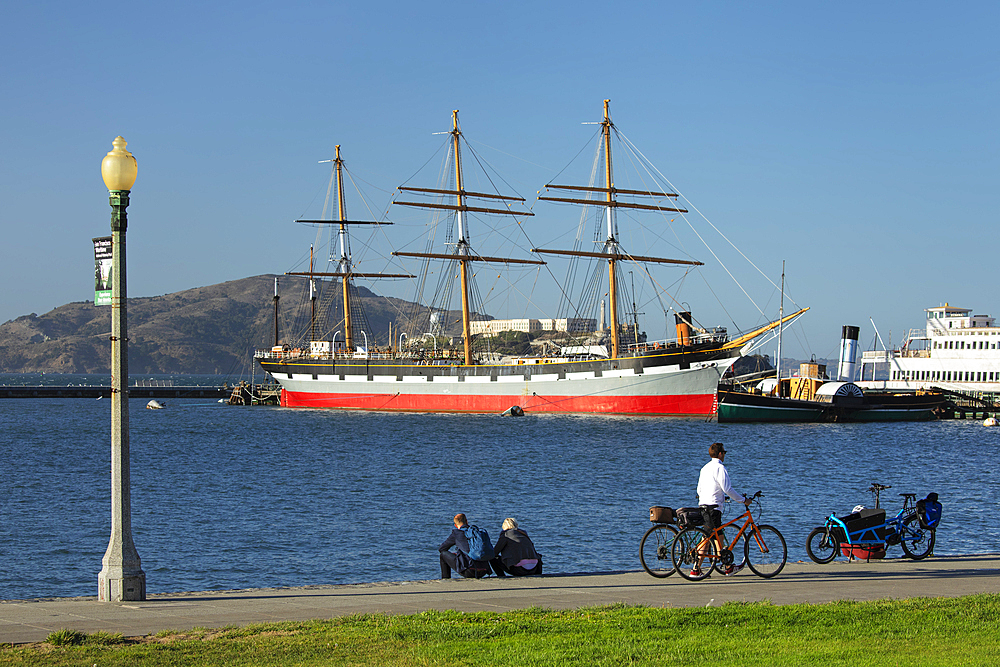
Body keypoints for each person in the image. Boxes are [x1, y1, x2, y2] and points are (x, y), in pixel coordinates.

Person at [694, 442, 748, 576]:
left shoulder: (704, 468)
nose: (724, 455)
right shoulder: (720, 467)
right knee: (708, 537)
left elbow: (699, 489)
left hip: (704, 505)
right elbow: (727, 488)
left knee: (715, 535)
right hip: (714, 507)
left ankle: (725, 564)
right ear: (720, 454)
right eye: (724, 452)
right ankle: (697, 569)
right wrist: (742, 499)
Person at [438, 513, 492, 579]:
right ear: (466, 521)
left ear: (455, 525)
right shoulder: (477, 532)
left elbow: (442, 549)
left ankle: (446, 579)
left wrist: (457, 554)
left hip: (469, 570)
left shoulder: (456, 533)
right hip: (484, 570)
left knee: (443, 555)